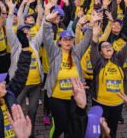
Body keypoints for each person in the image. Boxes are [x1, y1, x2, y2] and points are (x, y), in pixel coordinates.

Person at [43, 9, 101, 137]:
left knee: (72, 125)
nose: (68, 42)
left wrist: (91, 25)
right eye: (65, 39)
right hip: (57, 97)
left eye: (70, 39)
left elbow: (86, 40)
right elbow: (46, 38)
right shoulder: (54, 52)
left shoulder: (76, 52)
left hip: (74, 97)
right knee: (61, 125)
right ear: (59, 41)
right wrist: (47, 21)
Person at [90, 20, 127, 138]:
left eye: (109, 45)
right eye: (104, 47)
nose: (107, 47)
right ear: (100, 52)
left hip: (117, 104)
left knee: (112, 132)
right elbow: (93, 48)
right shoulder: (98, 62)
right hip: (100, 103)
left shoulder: (119, 59)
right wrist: (95, 36)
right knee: (99, 132)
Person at [6, 0, 43, 137]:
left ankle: (30, 134)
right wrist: (11, 12)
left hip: (35, 85)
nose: (26, 32)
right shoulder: (16, 45)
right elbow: (9, 28)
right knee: (16, 110)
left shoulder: (34, 44)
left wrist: (45, 8)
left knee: (32, 112)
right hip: (20, 86)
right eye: (23, 31)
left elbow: (43, 28)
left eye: (28, 30)